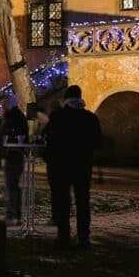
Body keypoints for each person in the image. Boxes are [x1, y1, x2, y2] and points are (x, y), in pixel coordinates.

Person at [43, 84, 102, 248]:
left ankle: (64, 236)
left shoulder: (58, 117)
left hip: (61, 165)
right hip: (83, 165)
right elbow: (98, 142)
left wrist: (48, 157)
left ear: (66, 100)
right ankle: (83, 237)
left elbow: (48, 137)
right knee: (82, 201)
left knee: (63, 201)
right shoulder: (90, 118)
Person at [1, 95, 30, 227]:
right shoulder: (17, 116)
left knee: (12, 185)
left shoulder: (12, 118)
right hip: (15, 154)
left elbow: (9, 134)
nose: (2, 107)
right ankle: (14, 214)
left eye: (4, 104)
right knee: (12, 186)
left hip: (13, 154)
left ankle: (13, 214)